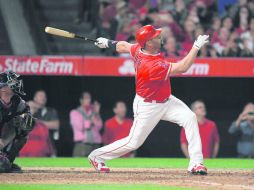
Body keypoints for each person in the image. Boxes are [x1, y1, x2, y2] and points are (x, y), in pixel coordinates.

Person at [88, 24, 209, 175]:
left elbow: (123, 46)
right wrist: (196, 47)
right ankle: (97, 156)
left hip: (166, 100)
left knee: (190, 117)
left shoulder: (140, 48)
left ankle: (196, 163)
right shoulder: (152, 65)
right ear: (149, 43)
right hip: (148, 106)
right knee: (133, 142)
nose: (160, 37)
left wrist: (107, 42)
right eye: (156, 37)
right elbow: (183, 67)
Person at [0, 71, 35, 173]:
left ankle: (7, 160)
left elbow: (28, 120)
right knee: (2, 166)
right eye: (12, 81)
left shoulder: (17, 101)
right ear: (3, 88)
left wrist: (26, 119)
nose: (16, 83)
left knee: (23, 129)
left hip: (2, 140)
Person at [70, 92, 103, 157]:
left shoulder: (93, 112)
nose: (89, 100)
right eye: (86, 98)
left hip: (95, 144)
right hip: (82, 145)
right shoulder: (75, 112)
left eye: (89, 98)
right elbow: (80, 127)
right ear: (81, 100)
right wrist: (91, 121)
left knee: (96, 165)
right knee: (79, 166)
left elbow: (99, 126)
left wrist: (97, 113)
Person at [32, 90, 60, 156]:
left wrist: (38, 122)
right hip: (33, 147)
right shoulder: (29, 109)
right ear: (35, 98)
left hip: (48, 146)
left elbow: (56, 125)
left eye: (44, 96)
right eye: (40, 96)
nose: (43, 98)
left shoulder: (51, 111)